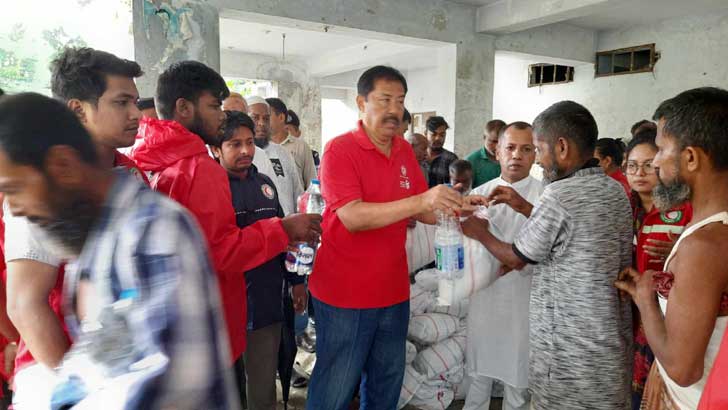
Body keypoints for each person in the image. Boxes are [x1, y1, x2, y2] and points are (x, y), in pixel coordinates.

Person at [0, 92, 239, 409]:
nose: (13, 208)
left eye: (13, 189)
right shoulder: (95, 238)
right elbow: (104, 358)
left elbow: (163, 390)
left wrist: (50, 397)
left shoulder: (151, 231)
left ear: (62, 166)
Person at [131, 61, 321, 370]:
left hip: (171, 319)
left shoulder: (149, 159)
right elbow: (221, 251)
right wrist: (283, 229)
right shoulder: (198, 169)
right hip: (206, 319)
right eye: (215, 105)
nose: (222, 116)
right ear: (183, 107)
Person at [306, 65, 463, 410]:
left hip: (392, 291)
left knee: (386, 382)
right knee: (337, 384)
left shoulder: (405, 152)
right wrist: (422, 200)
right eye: (385, 99)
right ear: (361, 103)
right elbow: (352, 216)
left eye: (401, 100)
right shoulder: (339, 150)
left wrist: (458, 205)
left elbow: (421, 210)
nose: (395, 109)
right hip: (346, 293)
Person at [461, 100, 633, 410]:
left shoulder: (557, 194)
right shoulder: (614, 190)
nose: (536, 159)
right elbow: (567, 232)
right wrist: (524, 207)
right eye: (511, 147)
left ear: (562, 147)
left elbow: (517, 257)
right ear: (498, 151)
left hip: (569, 347)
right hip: (606, 342)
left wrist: (478, 232)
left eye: (536, 149)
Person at [4, 46, 149, 409]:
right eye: (121, 103)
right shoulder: (41, 184)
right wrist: (83, 394)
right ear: (79, 110)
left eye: (135, 101)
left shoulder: (128, 174)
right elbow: (26, 305)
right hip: (63, 383)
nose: (136, 114)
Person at [615, 87, 728, 410]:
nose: (656, 165)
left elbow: (682, 368)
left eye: (662, 150)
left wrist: (645, 299)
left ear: (690, 158)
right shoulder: (710, 229)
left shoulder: (705, 246)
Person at [210, 111, 307, 410]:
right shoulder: (211, 188)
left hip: (266, 302)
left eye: (250, 142)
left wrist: (296, 281)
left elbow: (284, 236)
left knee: (263, 386)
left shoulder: (265, 184)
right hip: (226, 306)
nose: (245, 151)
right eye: (234, 144)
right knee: (226, 387)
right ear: (216, 149)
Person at [463, 121, 542, 410]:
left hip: (525, 301)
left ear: (536, 155)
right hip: (485, 299)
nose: (517, 155)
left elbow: (547, 251)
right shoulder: (478, 196)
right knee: (479, 377)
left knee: (517, 382)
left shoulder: (545, 197)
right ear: (497, 151)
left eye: (526, 149)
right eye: (510, 147)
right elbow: (465, 250)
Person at [623, 128, 693, 409]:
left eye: (649, 165)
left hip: (670, 317)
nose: (639, 173)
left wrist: (678, 251)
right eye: (632, 166)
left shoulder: (685, 210)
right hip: (631, 313)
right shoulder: (623, 209)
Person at [247, 96, 304, 215]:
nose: (262, 123)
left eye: (266, 118)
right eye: (255, 118)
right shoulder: (242, 157)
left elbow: (298, 194)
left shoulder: (282, 153)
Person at [266, 97, 317, 190]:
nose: (262, 121)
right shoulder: (260, 147)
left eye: (267, 116)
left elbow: (311, 182)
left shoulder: (301, 147)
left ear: (281, 117)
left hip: (295, 203)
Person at [466, 119, 505, 188]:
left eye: (501, 142)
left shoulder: (511, 159)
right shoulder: (471, 161)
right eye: (493, 141)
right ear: (484, 137)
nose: (497, 147)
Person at [426, 115, 458, 187]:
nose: (438, 138)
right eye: (434, 134)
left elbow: (455, 187)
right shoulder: (417, 157)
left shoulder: (451, 159)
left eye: (442, 135)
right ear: (425, 134)